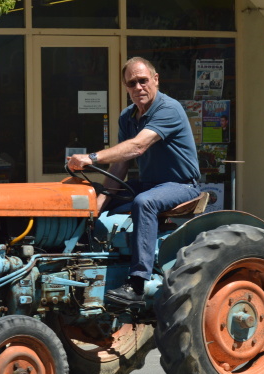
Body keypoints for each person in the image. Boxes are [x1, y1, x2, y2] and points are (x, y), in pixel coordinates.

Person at [68, 57, 201, 306]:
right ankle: (80, 257)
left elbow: (137, 147)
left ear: (156, 80)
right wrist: (99, 203)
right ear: (126, 87)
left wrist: (91, 157)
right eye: (132, 83)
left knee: (144, 203)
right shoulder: (127, 117)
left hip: (181, 185)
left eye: (143, 80)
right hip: (151, 183)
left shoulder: (168, 109)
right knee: (86, 196)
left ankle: (138, 283)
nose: (139, 87)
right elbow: (120, 165)